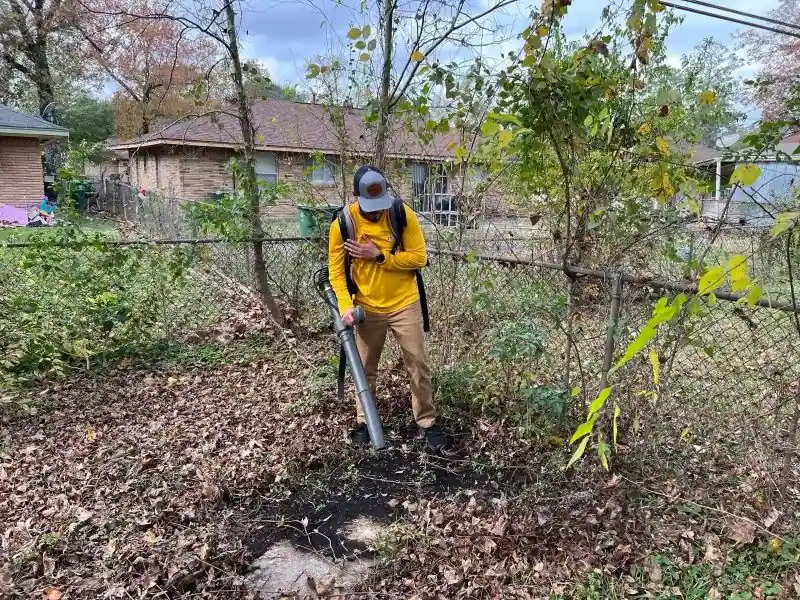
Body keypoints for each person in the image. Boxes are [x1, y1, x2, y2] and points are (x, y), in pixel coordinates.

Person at [328, 165, 445, 450]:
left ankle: (426, 421)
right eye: (368, 207)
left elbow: (419, 258)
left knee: (417, 362)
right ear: (354, 196)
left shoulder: (401, 214)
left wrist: (380, 256)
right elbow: (336, 273)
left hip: (405, 302)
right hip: (366, 307)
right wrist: (345, 305)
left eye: (378, 206)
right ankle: (365, 421)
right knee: (365, 368)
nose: (374, 213)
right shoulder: (342, 224)